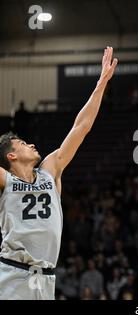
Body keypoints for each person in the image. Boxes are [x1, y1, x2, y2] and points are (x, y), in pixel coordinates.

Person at [0, 47, 118, 300]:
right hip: (12, 273)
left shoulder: (50, 171)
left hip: (46, 278)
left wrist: (101, 84)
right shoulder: (5, 180)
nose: (31, 145)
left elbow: (81, 127)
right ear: (11, 156)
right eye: (22, 144)